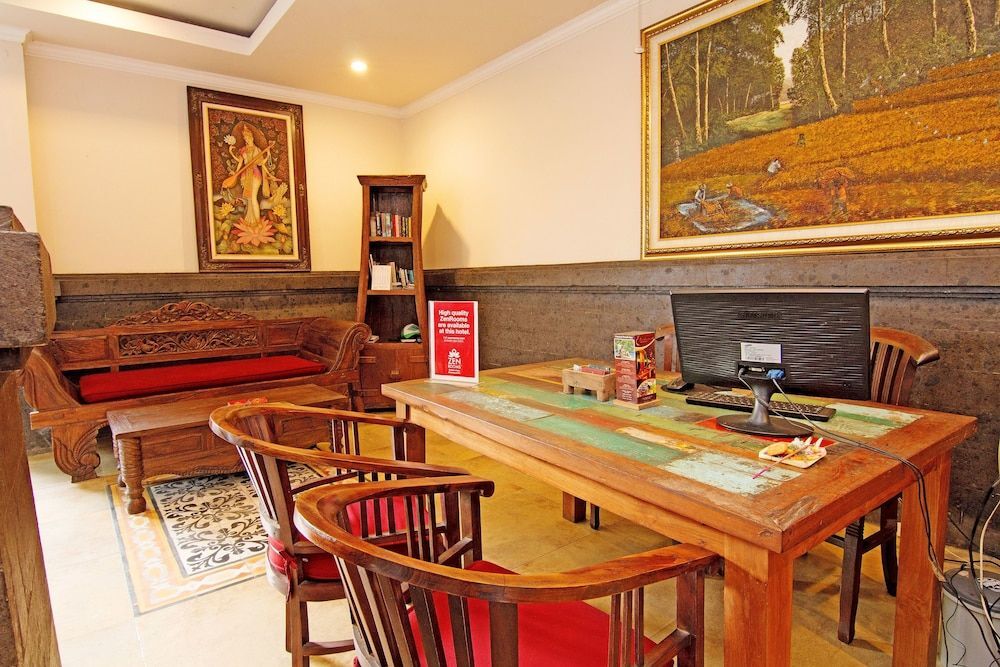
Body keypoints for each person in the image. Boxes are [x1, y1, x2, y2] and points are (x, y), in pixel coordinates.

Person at [229, 122, 274, 228]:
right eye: (245, 137)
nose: (246, 139)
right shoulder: (243, 150)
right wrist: (231, 153)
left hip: (254, 174)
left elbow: (261, 163)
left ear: (252, 137)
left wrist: (268, 154)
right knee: (249, 199)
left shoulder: (257, 149)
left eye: (248, 137)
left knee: (253, 197)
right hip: (245, 175)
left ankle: (257, 222)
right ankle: (250, 222)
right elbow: (240, 163)